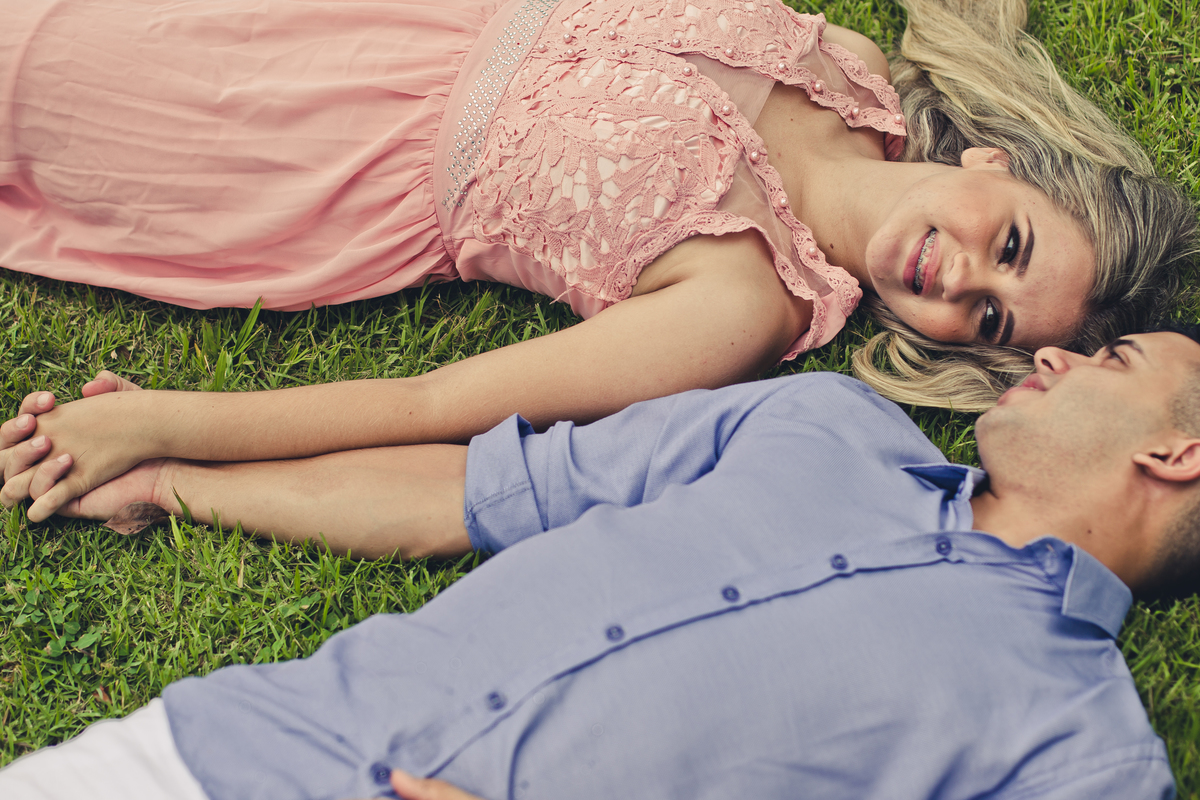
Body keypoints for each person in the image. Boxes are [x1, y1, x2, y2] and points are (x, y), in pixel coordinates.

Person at [2, 329, 1198, 799]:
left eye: (1114, 354)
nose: (1056, 348)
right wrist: (175, 480)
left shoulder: (1087, 755)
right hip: (222, 757)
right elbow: (463, 495)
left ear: (1176, 448)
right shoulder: (822, 422)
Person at [1, 0, 1194, 470]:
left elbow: (438, 404)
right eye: (1015, 247)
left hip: (309, 142)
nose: (962, 279)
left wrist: (165, 426)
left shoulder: (747, 301)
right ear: (1000, 162)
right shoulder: (851, 64)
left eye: (986, 318)